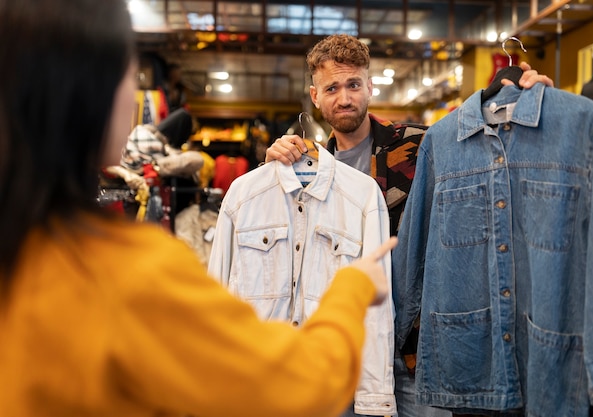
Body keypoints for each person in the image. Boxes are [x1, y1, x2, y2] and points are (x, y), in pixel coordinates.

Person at [0, 2, 399, 417]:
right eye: (127, 74)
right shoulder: (131, 269)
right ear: (94, 94)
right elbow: (292, 383)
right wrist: (353, 289)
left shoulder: (27, 256)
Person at [263, 34, 554, 417]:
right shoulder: (309, 168)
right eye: (332, 88)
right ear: (315, 97)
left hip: (416, 346)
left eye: (353, 84)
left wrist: (531, 104)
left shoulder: (422, 144)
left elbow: (495, 152)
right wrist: (273, 173)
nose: (345, 98)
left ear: (369, 85)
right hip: (346, 347)